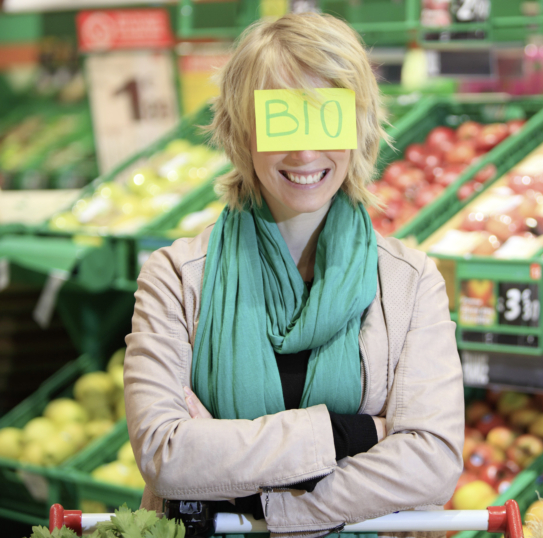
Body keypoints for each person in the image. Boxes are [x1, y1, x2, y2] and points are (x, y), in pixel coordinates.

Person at [123, 12, 464, 538]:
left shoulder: (410, 281)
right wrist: (348, 434)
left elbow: (432, 460)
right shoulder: (176, 278)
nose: (304, 152)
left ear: (358, 125)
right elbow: (166, 454)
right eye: (281, 120)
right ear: (242, 132)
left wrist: (263, 504)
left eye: (324, 118)